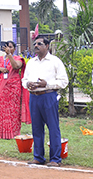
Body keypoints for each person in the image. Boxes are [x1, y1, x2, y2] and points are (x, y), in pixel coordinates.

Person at [21, 37, 69, 167]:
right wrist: (28, 84)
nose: (36, 46)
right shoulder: (31, 62)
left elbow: (64, 82)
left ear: (47, 46)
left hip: (48, 96)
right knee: (36, 128)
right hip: (34, 97)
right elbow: (24, 80)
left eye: (39, 44)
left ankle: (55, 158)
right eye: (35, 44)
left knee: (53, 128)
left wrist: (47, 84)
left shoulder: (55, 61)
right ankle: (38, 157)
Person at [0, 40, 25, 139]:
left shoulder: (18, 58)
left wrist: (9, 55)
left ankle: (14, 133)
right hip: (2, 86)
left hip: (14, 87)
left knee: (13, 109)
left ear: (14, 49)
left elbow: (16, 66)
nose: (8, 48)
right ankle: (2, 133)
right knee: (3, 109)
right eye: (7, 46)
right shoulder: (0, 59)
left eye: (10, 47)